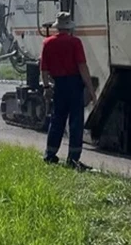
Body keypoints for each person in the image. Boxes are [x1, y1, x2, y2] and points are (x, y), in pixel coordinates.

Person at [40, 11, 97, 171]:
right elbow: (82, 67)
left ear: (58, 27)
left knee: (57, 120)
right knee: (76, 122)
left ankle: (50, 155)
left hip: (58, 85)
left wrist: (46, 87)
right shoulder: (75, 42)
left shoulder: (47, 43)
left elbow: (43, 70)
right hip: (74, 84)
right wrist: (91, 91)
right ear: (69, 27)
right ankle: (73, 159)